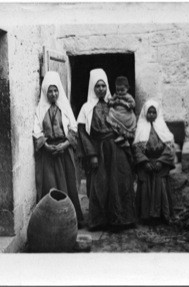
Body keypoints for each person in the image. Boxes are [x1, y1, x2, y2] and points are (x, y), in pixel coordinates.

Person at [77, 68, 136, 231]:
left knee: (120, 182)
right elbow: (82, 132)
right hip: (98, 149)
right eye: (97, 86)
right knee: (100, 185)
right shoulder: (86, 108)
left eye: (103, 86)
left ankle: (121, 219)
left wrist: (125, 139)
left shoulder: (115, 103)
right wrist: (91, 154)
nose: (101, 89)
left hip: (116, 148)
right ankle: (100, 221)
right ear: (92, 88)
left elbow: (128, 121)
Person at [33, 71, 84, 227]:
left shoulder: (65, 107)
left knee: (69, 185)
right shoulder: (40, 110)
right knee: (50, 186)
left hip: (64, 151)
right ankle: (52, 224)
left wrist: (66, 144)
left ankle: (71, 221)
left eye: (56, 90)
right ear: (45, 91)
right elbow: (36, 131)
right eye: (50, 90)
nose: (53, 94)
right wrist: (46, 146)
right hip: (49, 154)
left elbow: (74, 128)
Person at [133, 100, 176, 223]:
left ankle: (162, 215)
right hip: (146, 164)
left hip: (159, 164)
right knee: (145, 188)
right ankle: (146, 217)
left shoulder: (162, 128)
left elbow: (169, 146)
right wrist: (144, 162)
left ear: (157, 113)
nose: (151, 115)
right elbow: (136, 148)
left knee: (160, 187)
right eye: (149, 112)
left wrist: (161, 161)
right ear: (145, 113)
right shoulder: (140, 128)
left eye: (154, 112)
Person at [105, 76, 137, 145]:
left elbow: (133, 104)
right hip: (117, 113)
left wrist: (125, 104)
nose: (119, 92)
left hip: (126, 114)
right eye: (117, 90)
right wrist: (111, 102)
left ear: (127, 88)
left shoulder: (128, 96)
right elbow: (111, 101)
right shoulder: (116, 95)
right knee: (110, 112)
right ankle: (121, 136)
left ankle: (125, 137)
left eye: (122, 90)